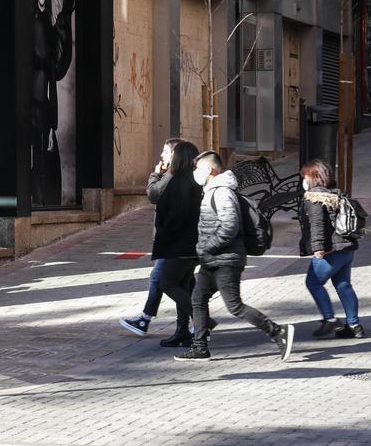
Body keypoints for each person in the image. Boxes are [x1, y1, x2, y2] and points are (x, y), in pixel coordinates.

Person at [175, 151, 295, 362]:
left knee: (234, 305)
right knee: (198, 298)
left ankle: (278, 332)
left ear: (210, 170)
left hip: (225, 259)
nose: (195, 173)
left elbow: (230, 227)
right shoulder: (212, 190)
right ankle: (200, 347)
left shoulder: (222, 193)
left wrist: (207, 247)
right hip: (213, 258)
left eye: (198, 168)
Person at [121, 139, 209, 347]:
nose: (162, 156)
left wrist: (156, 174)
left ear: (177, 157)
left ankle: (200, 324)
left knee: (164, 282)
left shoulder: (175, 179)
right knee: (184, 284)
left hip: (177, 245)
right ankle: (185, 330)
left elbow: (154, 194)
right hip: (187, 244)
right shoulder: (191, 179)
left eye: (166, 152)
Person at [297, 159, 364, 339]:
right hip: (346, 248)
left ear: (313, 177)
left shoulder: (314, 197)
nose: (303, 180)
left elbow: (317, 224)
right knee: (343, 285)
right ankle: (354, 325)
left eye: (305, 176)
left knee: (313, 282)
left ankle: (330, 319)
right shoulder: (335, 193)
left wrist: (318, 247)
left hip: (330, 250)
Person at [30, 0, 76, 206]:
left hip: (44, 114)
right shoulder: (34, 24)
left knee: (48, 170)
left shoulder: (45, 24)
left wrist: (62, 19)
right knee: (41, 168)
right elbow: (49, 68)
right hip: (34, 113)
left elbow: (56, 69)